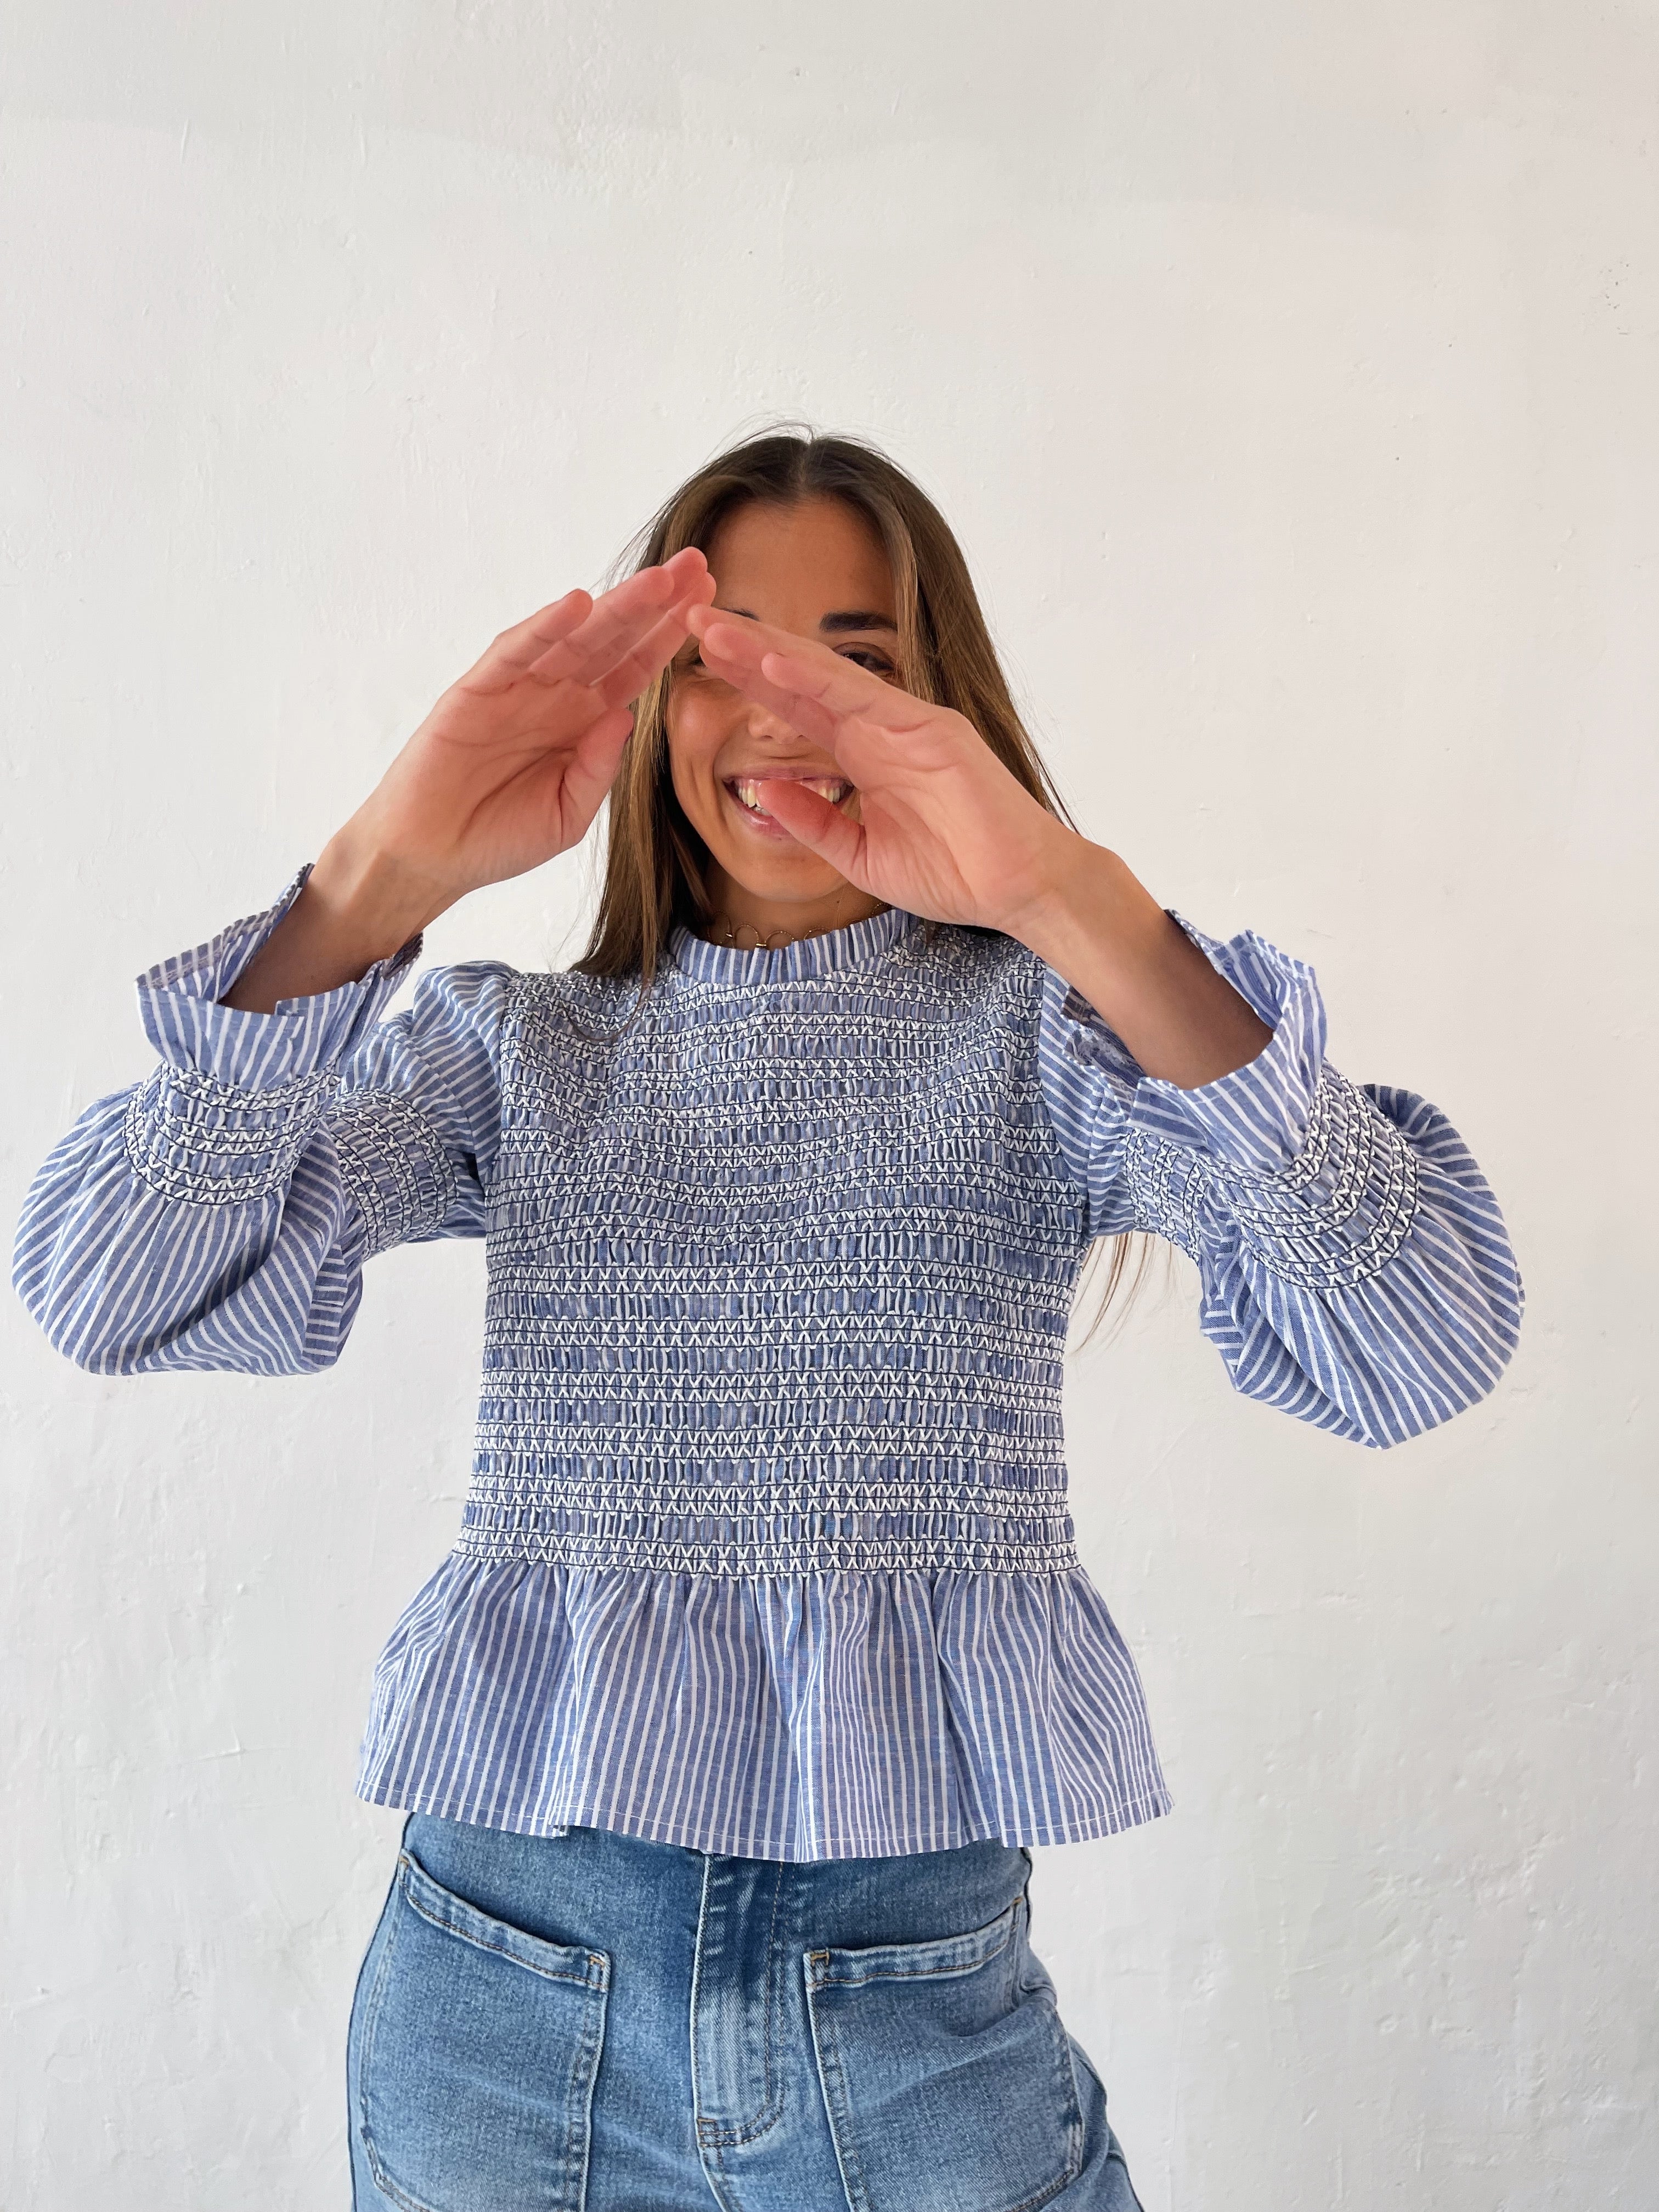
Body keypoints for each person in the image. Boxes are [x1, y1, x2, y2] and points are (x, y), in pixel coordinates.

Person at [14, 431, 1522, 2211]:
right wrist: (379, 875)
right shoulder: (519, 1051)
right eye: (721, 654)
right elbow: (106, 1290)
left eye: (857, 661)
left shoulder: (1046, 1047)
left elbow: (1417, 1339)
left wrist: (1068, 899)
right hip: (504, 1995)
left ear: (944, 708)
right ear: (650, 706)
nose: (785, 709)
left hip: (914, 2015)